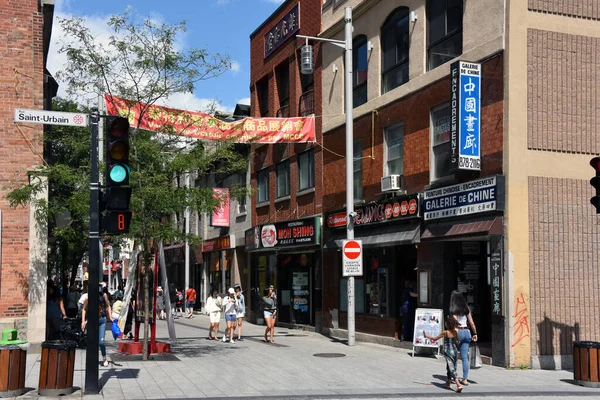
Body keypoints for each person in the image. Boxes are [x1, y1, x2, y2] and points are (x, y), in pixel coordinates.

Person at [424, 316, 463, 393]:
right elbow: (458, 341)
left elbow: (435, 339)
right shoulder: (455, 332)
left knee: (451, 368)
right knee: (451, 366)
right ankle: (448, 383)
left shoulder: (445, 332)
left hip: (448, 351)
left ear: (448, 324)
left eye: (446, 323)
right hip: (454, 351)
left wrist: (427, 336)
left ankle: (458, 384)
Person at [449, 290, 478, 386]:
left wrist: (456, 336)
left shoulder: (454, 309)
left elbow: (456, 324)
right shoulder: (467, 309)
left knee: (454, 356)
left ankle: (454, 377)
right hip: (467, 332)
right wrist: (475, 333)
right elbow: (472, 322)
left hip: (459, 332)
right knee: (465, 357)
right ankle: (465, 379)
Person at [82, 284, 112, 367]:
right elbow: (84, 309)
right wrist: (83, 321)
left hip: (102, 320)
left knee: (101, 342)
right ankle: (92, 359)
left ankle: (104, 357)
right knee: (91, 342)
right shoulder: (88, 297)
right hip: (92, 321)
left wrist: (110, 316)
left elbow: (108, 305)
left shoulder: (104, 295)